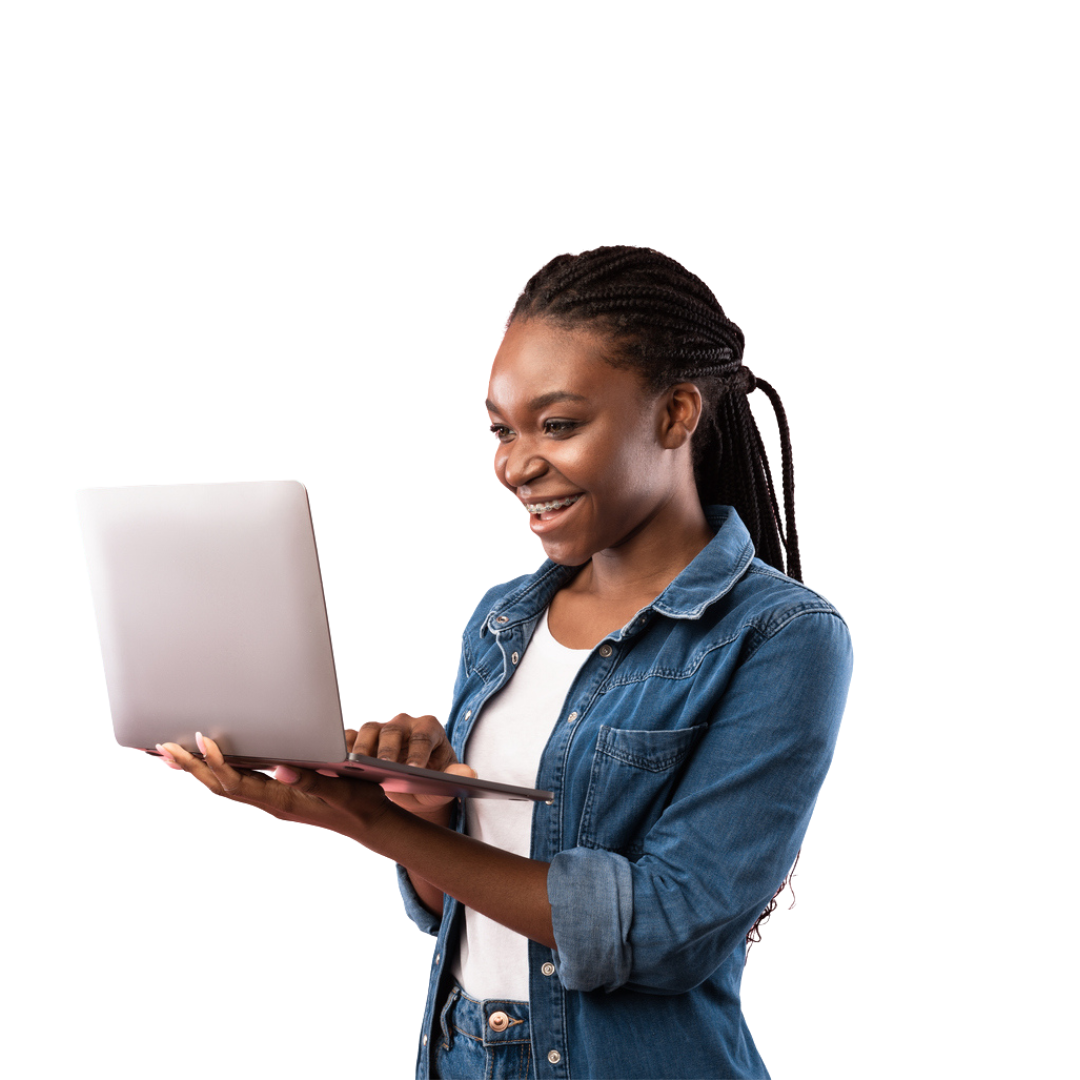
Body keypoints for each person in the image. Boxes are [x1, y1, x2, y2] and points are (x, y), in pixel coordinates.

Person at [158, 245, 854, 1078]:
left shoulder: (783, 634)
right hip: (460, 1056)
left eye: (558, 425)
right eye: (501, 428)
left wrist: (363, 822)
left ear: (675, 415)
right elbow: (460, 905)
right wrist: (422, 814)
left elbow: (671, 929)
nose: (515, 465)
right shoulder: (501, 619)